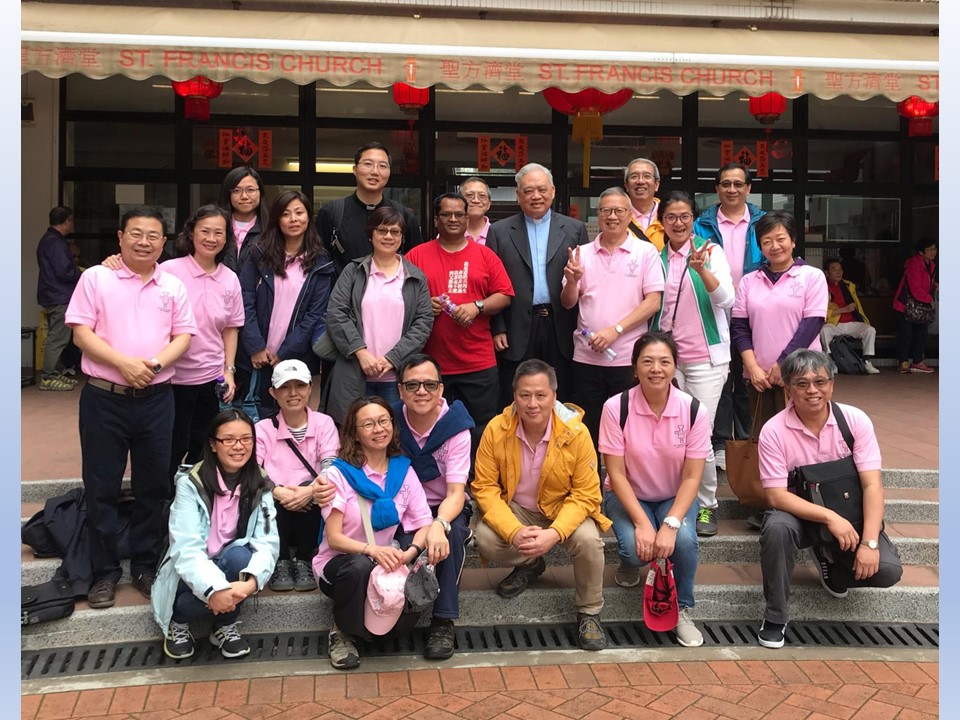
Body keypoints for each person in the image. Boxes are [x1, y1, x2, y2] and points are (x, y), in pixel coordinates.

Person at [66, 206, 197, 609]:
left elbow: (183, 336)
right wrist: (124, 364)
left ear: (164, 242)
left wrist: (153, 365)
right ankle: (104, 573)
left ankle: (144, 565)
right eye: (136, 234)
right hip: (104, 398)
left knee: (153, 486)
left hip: (157, 399)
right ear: (120, 237)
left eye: (153, 236)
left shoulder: (172, 286)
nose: (144, 242)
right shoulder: (96, 277)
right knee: (101, 486)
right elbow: (81, 333)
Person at [755, 350, 902, 649]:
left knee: (887, 570)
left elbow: (872, 485)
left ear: (832, 385)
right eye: (802, 383)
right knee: (777, 528)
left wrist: (869, 543)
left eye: (820, 382)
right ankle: (775, 617)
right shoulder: (773, 431)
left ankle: (832, 565)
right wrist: (829, 518)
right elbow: (775, 495)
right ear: (788, 389)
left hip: (847, 509)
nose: (812, 390)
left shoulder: (854, 420)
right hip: (799, 514)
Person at [472, 359, 610, 652]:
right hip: (517, 509)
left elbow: (586, 494)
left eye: (540, 395)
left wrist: (555, 533)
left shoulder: (576, 432)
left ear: (554, 396)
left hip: (563, 507)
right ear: (514, 396)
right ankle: (531, 563)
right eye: (524, 395)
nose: (532, 403)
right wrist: (513, 531)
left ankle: (589, 611)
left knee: (589, 540)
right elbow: (484, 488)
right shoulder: (496, 429)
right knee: (486, 538)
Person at [106, 205, 245, 481]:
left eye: (219, 233)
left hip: (209, 378)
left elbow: (231, 328)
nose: (211, 238)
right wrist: (114, 261)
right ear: (191, 233)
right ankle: (163, 499)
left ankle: (194, 497)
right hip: (170, 379)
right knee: (170, 446)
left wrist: (228, 371)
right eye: (205, 231)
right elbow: (134, 274)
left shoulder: (230, 278)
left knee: (203, 445)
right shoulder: (169, 270)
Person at [599, 332, 710, 647]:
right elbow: (616, 474)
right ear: (635, 367)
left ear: (675, 367)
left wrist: (671, 524)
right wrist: (642, 523)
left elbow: (692, 477)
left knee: (684, 540)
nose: (656, 369)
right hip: (627, 495)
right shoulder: (616, 407)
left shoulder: (693, 410)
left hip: (674, 495)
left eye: (664, 361)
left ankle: (682, 609)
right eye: (647, 361)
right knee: (637, 550)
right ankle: (628, 562)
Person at [313, 397, 435, 670]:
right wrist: (371, 550)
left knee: (391, 629)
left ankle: (374, 628)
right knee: (359, 567)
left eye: (383, 421)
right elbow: (334, 538)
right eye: (368, 424)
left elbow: (424, 522)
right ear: (355, 434)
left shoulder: (403, 471)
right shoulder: (339, 475)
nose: (378, 429)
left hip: (385, 562)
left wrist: (410, 554)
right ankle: (341, 633)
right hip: (340, 564)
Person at [151, 409, 279, 660]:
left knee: (242, 558)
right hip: (189, 572)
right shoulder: (190, 483)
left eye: (246, 439)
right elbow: (186, 548)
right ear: (212, 444)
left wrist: (251, 583)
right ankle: (179, 622)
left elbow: (268, 541)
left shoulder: (260, 481)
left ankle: (224, 625)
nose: (238, 446)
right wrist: (215, 590)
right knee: (192, 594)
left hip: (230, 565)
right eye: (228, 439)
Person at [730, 211, 827, 529]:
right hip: (759, 379)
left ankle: (805, 503)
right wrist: (752, 365)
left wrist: (783, 364)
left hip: (802, 378)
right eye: (767, 240)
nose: (774, 245)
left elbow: (812, 324)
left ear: (793, 240)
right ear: (760, 246)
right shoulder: (749, 281)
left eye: (780, 238)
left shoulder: (811, 277)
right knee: (765, 439)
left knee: (801, 438)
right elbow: (740, 327)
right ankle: (767, 503)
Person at [650, 191, 735, 537]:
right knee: (671, 432)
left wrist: (702, 272)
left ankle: (707, 505)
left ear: (694, 219)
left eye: (685, 216)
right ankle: (679, 499)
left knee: (698, 433)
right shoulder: (655, 257)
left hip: (705, 360)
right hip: (667, 362)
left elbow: (727, 298)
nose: (678, 223)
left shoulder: (710, 252)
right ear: (662, 222)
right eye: (671, 217)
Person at [405, 193, 513, 456]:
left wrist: (477, 306)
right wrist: (422, 304)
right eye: (446, 214)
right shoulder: (416, 255)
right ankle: (435, 478)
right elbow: (398, 297)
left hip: (477, 361)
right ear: (435, 219)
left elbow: (505, 294)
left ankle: (477, 478)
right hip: (430, 362)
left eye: (458, 215)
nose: (453, 219)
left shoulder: (485, 255)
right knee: (429, 427)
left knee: (481, 429)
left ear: (467, 219)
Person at [560, 187, 663, 457]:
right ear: (598, 215)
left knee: (629, 432)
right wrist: (571, 281)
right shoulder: (582, 253)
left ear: (629, 215)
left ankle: (625, 483)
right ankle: (590, 482)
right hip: (586, 358)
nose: (612, 216)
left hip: (628, 359)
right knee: (586, 433)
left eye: (619, 210)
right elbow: (568, 303)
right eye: (606, 210)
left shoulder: (646, 252)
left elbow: (653, 302)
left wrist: (615, 331)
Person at [391, 353, 475, 660]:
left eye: (429, 384)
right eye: (412, 385)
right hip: (402, 505)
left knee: (451, 537)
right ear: (400, 390)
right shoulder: (390, 422)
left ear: (440, 389)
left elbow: (456, 492)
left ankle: (443, 621)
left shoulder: (456, 427)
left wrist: (438, 524)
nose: (421, 391)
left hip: (444, 504)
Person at [487, 163, 589, 407]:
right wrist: (498, 327)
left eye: (542, 189)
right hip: (516, 326)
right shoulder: (499, 231)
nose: (536, 196)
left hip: (560, 323)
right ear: (518, 195)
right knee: (517, 394)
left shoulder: (575, 229)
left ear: (553, 191)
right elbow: (491, 283)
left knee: (561, 393)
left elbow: (583, 281)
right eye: (528, 190)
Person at [323, 206, 433, 423]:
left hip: (395, 376)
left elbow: (423, 322)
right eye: (382, 230)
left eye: (395, 231)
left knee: (393, 432)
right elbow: (336, 313)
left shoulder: (416, 277)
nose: (388, 236)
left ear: (402, 237)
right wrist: (360, 352)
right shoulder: (353, 271)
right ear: (370, 234)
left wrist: (392, 358)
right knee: (353, 430)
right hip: (355, 371)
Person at [693, 163, 765, 476]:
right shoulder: (702, 224)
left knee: (747, 377)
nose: (731, 189)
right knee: (720, 379)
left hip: (752, 311)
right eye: (725, 184)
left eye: (738, 184)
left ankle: (749, 443)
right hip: (713, 311)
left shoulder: (763, 222)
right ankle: (721, 444)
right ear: (717, 188)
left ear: (748, 188)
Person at [238, 190, 336, 417]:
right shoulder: (258, 254)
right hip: (256, 357)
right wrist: (255, 346)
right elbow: (244, 300)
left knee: (293, 419)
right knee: (256, 420)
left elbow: (315, 315)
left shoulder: (321, 263)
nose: (293, 219)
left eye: (299, 213)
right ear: (277, 219)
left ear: (308, 217)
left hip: (296, 359)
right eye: (286, 214)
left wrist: (285, 352)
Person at [256, 359, 340, 592]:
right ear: (273, 392)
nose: (293, 393)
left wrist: (309, 491)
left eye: (300, 385)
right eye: (284, 387)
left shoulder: (324, 423)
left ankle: (304, 558)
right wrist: (278, 491)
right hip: (276, 507)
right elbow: (253, 469)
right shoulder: (262, 429)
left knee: (321, 489)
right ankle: (280, 559)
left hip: (311, 506)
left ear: (310, 388)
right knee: (266, 493)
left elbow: (331, 464)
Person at [316, 141, 424, 272]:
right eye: (368, 164)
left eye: (382, 166)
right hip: (343, 285)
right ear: (355, 169)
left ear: (389, 172)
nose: (375, 171)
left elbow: (416, 262)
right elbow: (318, 263)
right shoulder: (331, 213)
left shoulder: (404, 215)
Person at [36, 205, 81, 391]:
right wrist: (81, 274)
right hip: (59, 295)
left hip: (51, 293)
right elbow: (65, 272)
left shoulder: (48, 240)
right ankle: (48, 377)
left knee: (58, 335)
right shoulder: (56, 243)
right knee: (58, 338)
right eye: (71, 221)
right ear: (67, 221)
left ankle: (55, 372)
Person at [820, 258, 880, 374]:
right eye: (834, 269)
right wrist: (843, 310)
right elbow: (821, 312)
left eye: (840, 269)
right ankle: (830, 362)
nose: (838, 272)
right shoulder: (822, 287)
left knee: (870, 330)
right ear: (826, 273)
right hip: (834, 324)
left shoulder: (848, 286)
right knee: (824, 330)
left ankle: (866, 361)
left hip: (851, 322)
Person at [893, 238, 938, 374]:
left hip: (921, 307)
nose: (933, 252)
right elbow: (915, 288)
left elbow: (927, 283)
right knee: (906, 334)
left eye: (934, 249)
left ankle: (917, 361)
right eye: (929, 249)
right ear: (921, 252)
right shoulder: (914, 264)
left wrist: (935, 286)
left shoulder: (930, 264)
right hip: (905, 305)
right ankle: (903, 362)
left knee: (921, 333)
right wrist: (929, 299)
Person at [218, 166, 269, 274]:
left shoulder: (271, 229)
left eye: (250, 190)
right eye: (236, 191)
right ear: (228, 194)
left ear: (260, 192)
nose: (244, 196)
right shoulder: (217, 226)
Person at [623, 157, 665, 250]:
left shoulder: (669, 215)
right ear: (626, 185)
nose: (640, 181)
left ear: (656, 184)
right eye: (634, 176)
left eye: (647, 176)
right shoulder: (618, 216)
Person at [460, 176, 492, 245]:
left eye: (482, 196)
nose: (476, 200)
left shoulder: (499, 234)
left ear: (489, 204)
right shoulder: (449, 235)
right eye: (469, 195)